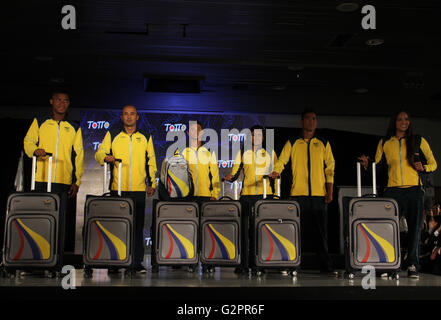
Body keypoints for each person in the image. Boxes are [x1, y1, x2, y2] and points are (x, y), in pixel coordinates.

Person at [359, 111, 437, 279]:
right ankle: (391, 264)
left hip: (414, 190)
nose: (404, 122)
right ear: (394, 122)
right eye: (400, 119)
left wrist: (424, 168)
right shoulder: (385, 142)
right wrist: (367, 164)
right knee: (390, 229)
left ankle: (412, 265)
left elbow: (433, 163)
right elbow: (377, 165)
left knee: (415, 229)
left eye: (407, 119)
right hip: (393, 190)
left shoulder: (418, 140)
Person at [270, 109, 335, 274]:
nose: (311, 121)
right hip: (298, 195)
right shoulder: (293, 142)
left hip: (319, 196)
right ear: (302, 121)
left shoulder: (323, 143)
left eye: (314, 118)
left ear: (316, 121)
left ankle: (326, 266)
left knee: (321, 234)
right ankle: (292, 264)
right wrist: (276, 171)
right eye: (308, 118)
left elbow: (330, 168)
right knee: (295, 231)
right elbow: (282, 159)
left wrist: (330, 192)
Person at [95, 105, 157, 273]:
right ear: (122, 117)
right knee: (117, 226)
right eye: (126, 114)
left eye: (132, 114)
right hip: (118, 189)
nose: (129, 117)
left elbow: (151, 161)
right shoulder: (113, 134)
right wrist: (105, 157)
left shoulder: (145, 136)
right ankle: (115, 263)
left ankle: (136, 263)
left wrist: (152, 183)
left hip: (137, 189)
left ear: (137, 117)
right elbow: (99, 154)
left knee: (137, 227)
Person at [23, 91, 84, 255]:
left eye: (65, 101)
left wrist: (76, 181)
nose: (62, 103)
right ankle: (37, 257)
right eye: (58, 100)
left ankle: (56, 259)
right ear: (51, 101)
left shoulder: (73, 127)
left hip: (63, 181)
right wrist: (35, 150)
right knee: (40, 219)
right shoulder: (40, 122)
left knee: (59, 221)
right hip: (41, 179)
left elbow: (79, 154)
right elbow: (28, 142)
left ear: (68, 104)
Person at [225, 125, 278, 273]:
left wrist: (274, 176)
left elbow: (276, 172)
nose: (257, 138)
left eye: (259, 135)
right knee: (244, 231)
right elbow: (235, 173)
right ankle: (243, 264)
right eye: (254, 135)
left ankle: (259, 264)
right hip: (247, 195)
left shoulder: (269, 152)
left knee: (260, 231)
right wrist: (230, 178)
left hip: (264, 196)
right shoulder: (243, 152)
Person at [180, 120, 220, 205]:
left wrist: (215, 194)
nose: (196, 132)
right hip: (187, 197)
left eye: (198, 129)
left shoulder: (209, 151)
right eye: (193, 129)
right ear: (188, 133)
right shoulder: (181, 152)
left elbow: (215, 175)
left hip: (206, 196)